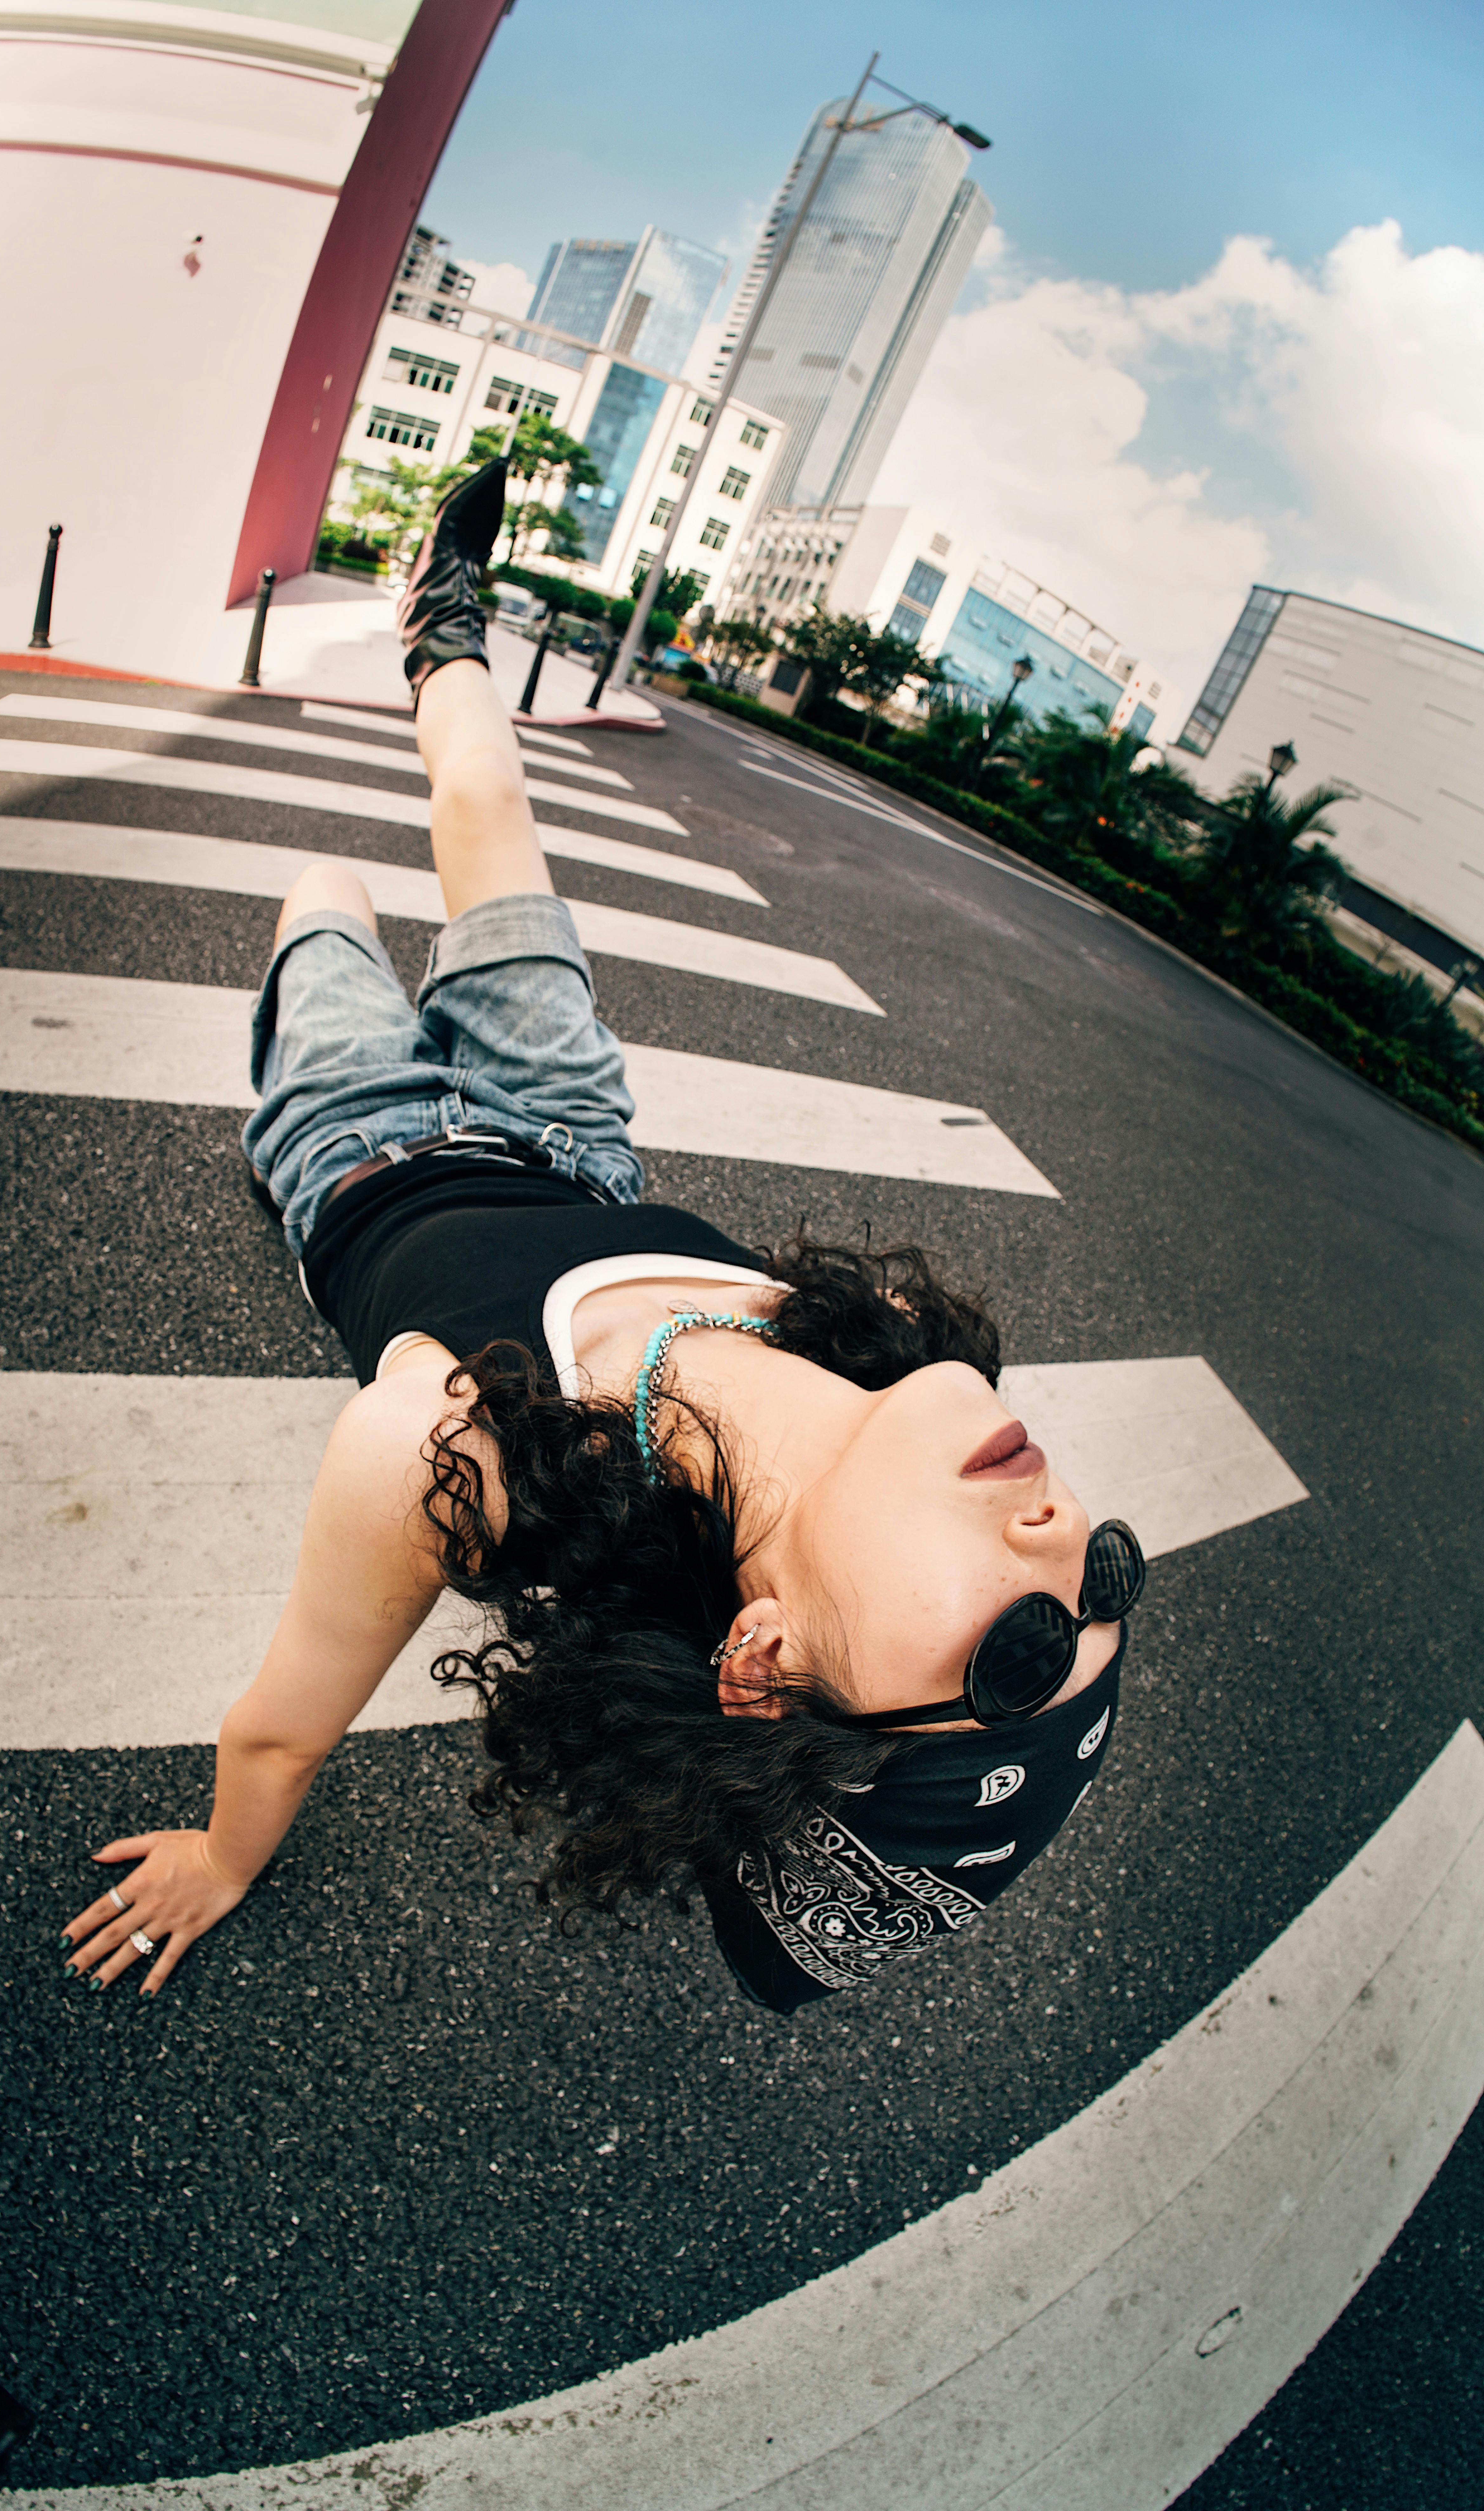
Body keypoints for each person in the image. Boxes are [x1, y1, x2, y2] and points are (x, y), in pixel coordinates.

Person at [61, 460, 1143, 2014]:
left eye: (1024, 1655)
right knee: (484, 797)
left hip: (368, 1158)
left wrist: (227, 1858)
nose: (1067, 1546)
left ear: (764, 1656)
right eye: (1112, 1578)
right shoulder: (892, 1348)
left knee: (326, 891)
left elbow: (283, 1723)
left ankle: (312, 1031)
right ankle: (445, 627)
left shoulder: (450, 1455)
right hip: (575, 1134)